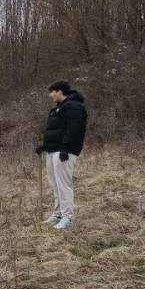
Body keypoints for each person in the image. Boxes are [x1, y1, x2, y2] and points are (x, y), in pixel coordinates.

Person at [36, 80, 88, 230]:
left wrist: (65, 149)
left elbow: (73, 130)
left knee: (64, 185)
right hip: (53, 151)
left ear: (59, 91)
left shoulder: (74, 107)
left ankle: (68, 218)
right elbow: (56, 130)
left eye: (52, 92)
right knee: (55, 184)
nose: (50, 95)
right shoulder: (59, 108)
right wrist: (45, 146)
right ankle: (58, 214)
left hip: (64, 152)